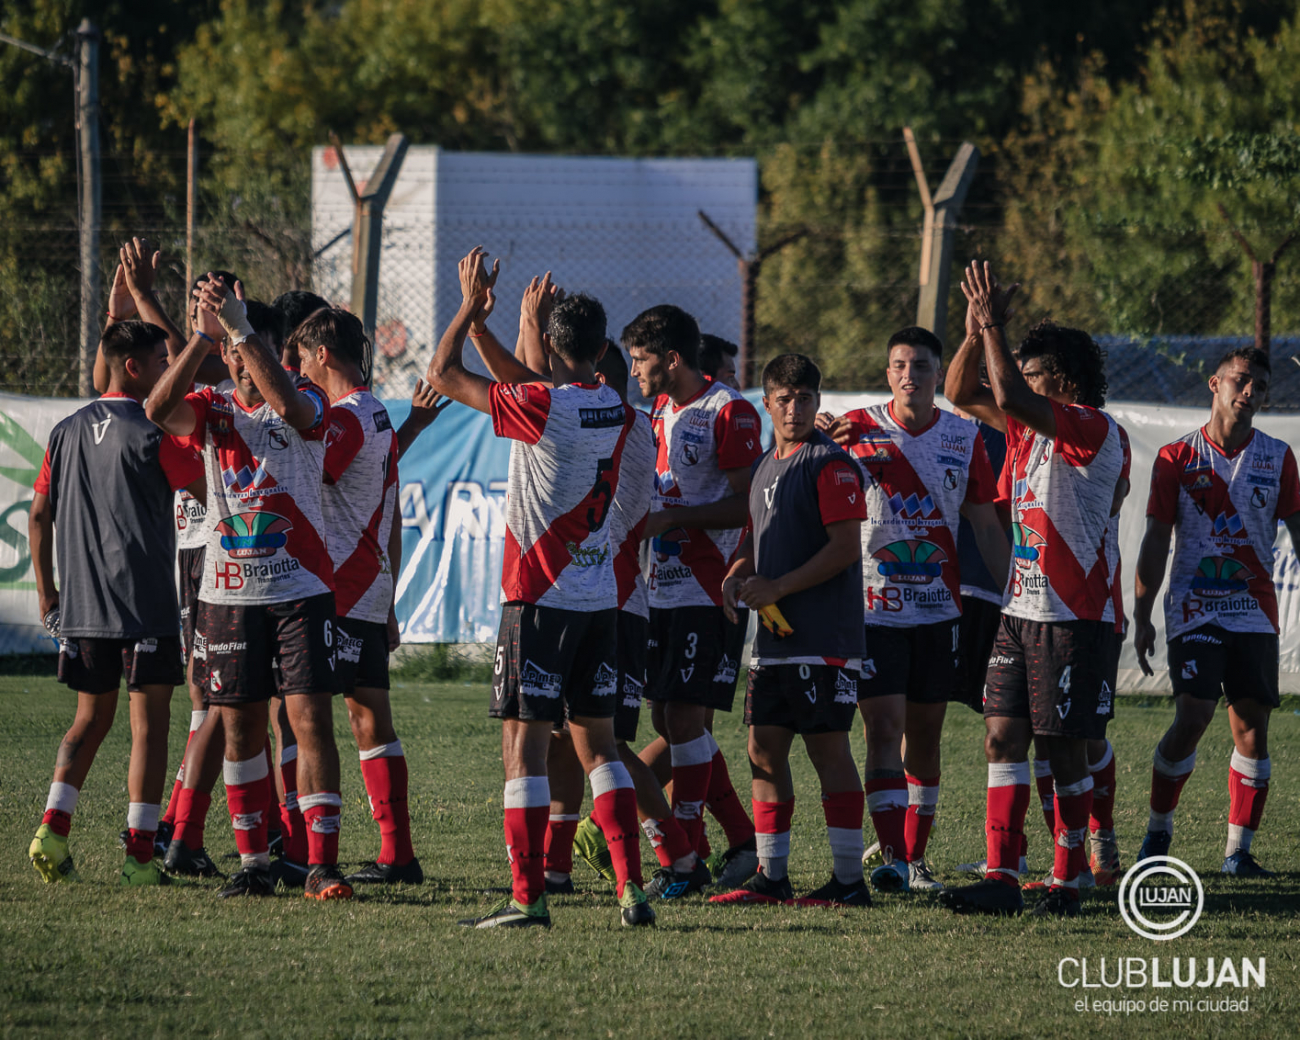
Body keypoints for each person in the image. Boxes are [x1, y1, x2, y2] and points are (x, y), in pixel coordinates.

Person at [428, 247, 653, 929]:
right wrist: (505, 336)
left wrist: (472, 308)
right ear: (606, 348)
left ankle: (527, 899)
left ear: (552, 350)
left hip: (538, 602)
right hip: (597, 604)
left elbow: (440, 376)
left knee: (522, 747)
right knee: (600, 748)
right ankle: (630, 889)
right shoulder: (618, 410)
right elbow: (535, 381)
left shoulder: (542, 409)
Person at [146, 277, 350, 901]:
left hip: (301, 589)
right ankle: (255, 861)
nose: (235, 356)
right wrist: (205, 334)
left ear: (269, 349)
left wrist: (240, 327)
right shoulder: (211, 405)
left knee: (309, 719)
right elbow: (156, 409)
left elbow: (287, 408)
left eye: (245, 344)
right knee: (238, 728)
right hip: (229, 595)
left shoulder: (307, 399)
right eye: (229, 349)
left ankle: (322, 864)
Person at [941, 262, 1127, 918]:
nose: (1013, 376)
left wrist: (995, 324)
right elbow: (962, 388)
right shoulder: (1025, 426)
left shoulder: (1094, 431)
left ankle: (1070, 877)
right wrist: (973, 331)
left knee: (1061, 747)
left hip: (1073, 616)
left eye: (1030, 367)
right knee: (1000, 737)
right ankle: (1000, 874)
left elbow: (1012, 396)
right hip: (1020, 611)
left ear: (1064, 380)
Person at [826, 327, 1007, 893]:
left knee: (925, 735)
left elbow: (984, 524)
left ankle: (916, 856)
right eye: (900, 365)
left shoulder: (964, 435)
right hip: (871, 611)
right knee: (882, 727)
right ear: (888, 374)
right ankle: (893, 861)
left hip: (939, 611)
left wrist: (1016, 597)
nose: (911, 375)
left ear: (937, 375)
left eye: (922, 366)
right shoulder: (853, 428)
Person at [28, 318, 201, 886]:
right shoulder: (154, 430)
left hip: (81, 606)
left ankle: (52, 833)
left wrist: (48, 591)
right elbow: (202, 491)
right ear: (135, 367)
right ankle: (141, 857)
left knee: (88, 719)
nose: (165, 374)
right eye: (159, 362)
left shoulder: (65, 430)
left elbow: (38, 514)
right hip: (145, 604)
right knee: (148, 728)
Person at [710, 353, 870, 907]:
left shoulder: (830, 464)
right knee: (763, 747)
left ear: (818, 402)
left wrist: (777, 588)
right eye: (785, 398)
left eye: (806, 398)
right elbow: (755, 536)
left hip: (825, 638)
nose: (796, 408)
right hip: (775, 641)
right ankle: (772, 877)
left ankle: (850, 882)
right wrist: (738, 571)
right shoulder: (762, 465)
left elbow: (846, 548)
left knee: (829, 751)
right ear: (767, 401)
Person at [1133, 347, 1300, 877]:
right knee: (1193, 717)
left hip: (1254, 610)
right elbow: (1157, 538)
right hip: (1195, 608)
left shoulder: (1278, 457)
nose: (1249, 392)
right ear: (1215, 383)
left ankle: (1237, 853)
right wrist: (1141, 612)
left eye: (1260, 387)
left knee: (1252, 727)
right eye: (1241, 381)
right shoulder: (1176, 458)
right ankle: (1158, 832)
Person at [298, 307, 442, 884]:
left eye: (304, 358)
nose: (300, 369)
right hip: (362, 582)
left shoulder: (347, 417)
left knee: (306, 719)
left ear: (323, 356)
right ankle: (397, 854)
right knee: (366, 719)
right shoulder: (373, 413)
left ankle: (307, 851)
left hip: (340, 583)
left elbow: (307, 472)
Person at [626, 305, 762, 890]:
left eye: (641, 359)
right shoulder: (657, 411)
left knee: (683, 719)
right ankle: (731, 842)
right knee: (669, 717)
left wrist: (677, 517)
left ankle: (686, 857)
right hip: (663, 588)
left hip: (714, 590)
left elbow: (750, 504)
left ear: (673, 359)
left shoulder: (728, 410)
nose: (634, 370)